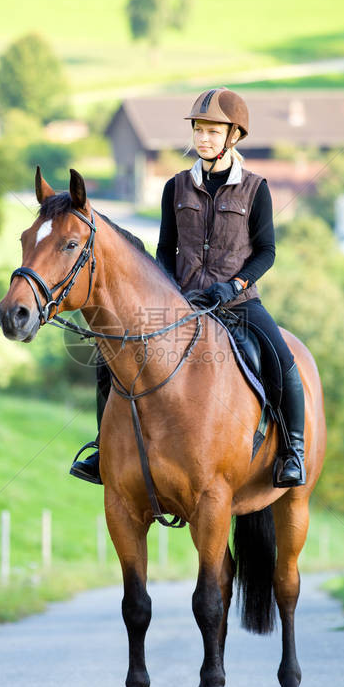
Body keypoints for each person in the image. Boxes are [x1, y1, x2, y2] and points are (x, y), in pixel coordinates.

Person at [70, 87, 305, 487]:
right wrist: (167, 288)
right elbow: (165, 248)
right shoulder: (175, 187)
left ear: (233, 136)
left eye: (213, 131)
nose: (203, 139)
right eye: (199, 130)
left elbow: (266, 252)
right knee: (107, 355)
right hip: (181, 302)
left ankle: (292, 451)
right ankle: (103, 448)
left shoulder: (255, 189)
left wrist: (233, 286)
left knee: (281, 359)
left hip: (237, 302)